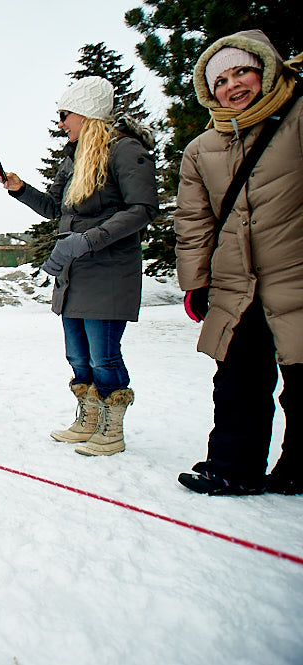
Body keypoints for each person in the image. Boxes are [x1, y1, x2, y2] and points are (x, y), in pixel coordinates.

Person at [173, 30, 303, 496]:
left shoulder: (297, 119)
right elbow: (194, 221)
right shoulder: (201, 149)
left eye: (242, 71)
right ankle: (232, 466)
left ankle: (298, 466)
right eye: (221, 80)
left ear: (266, 69)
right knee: (237, 380)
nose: (233, 85)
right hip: (235, 283)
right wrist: (196, 283)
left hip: (295, 274)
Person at [0, 76, 159, 456]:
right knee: (77, 355)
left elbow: (142, 209)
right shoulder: (73, 159)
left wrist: (89, 239)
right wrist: (20, 189)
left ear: (86, 114)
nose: (60, 124)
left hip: (108, 270)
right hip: (74, 270)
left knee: (104, 356)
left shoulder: (124, 151)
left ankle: (111, 428)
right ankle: (89, 419)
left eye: (65, 115)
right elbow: (55, 209)